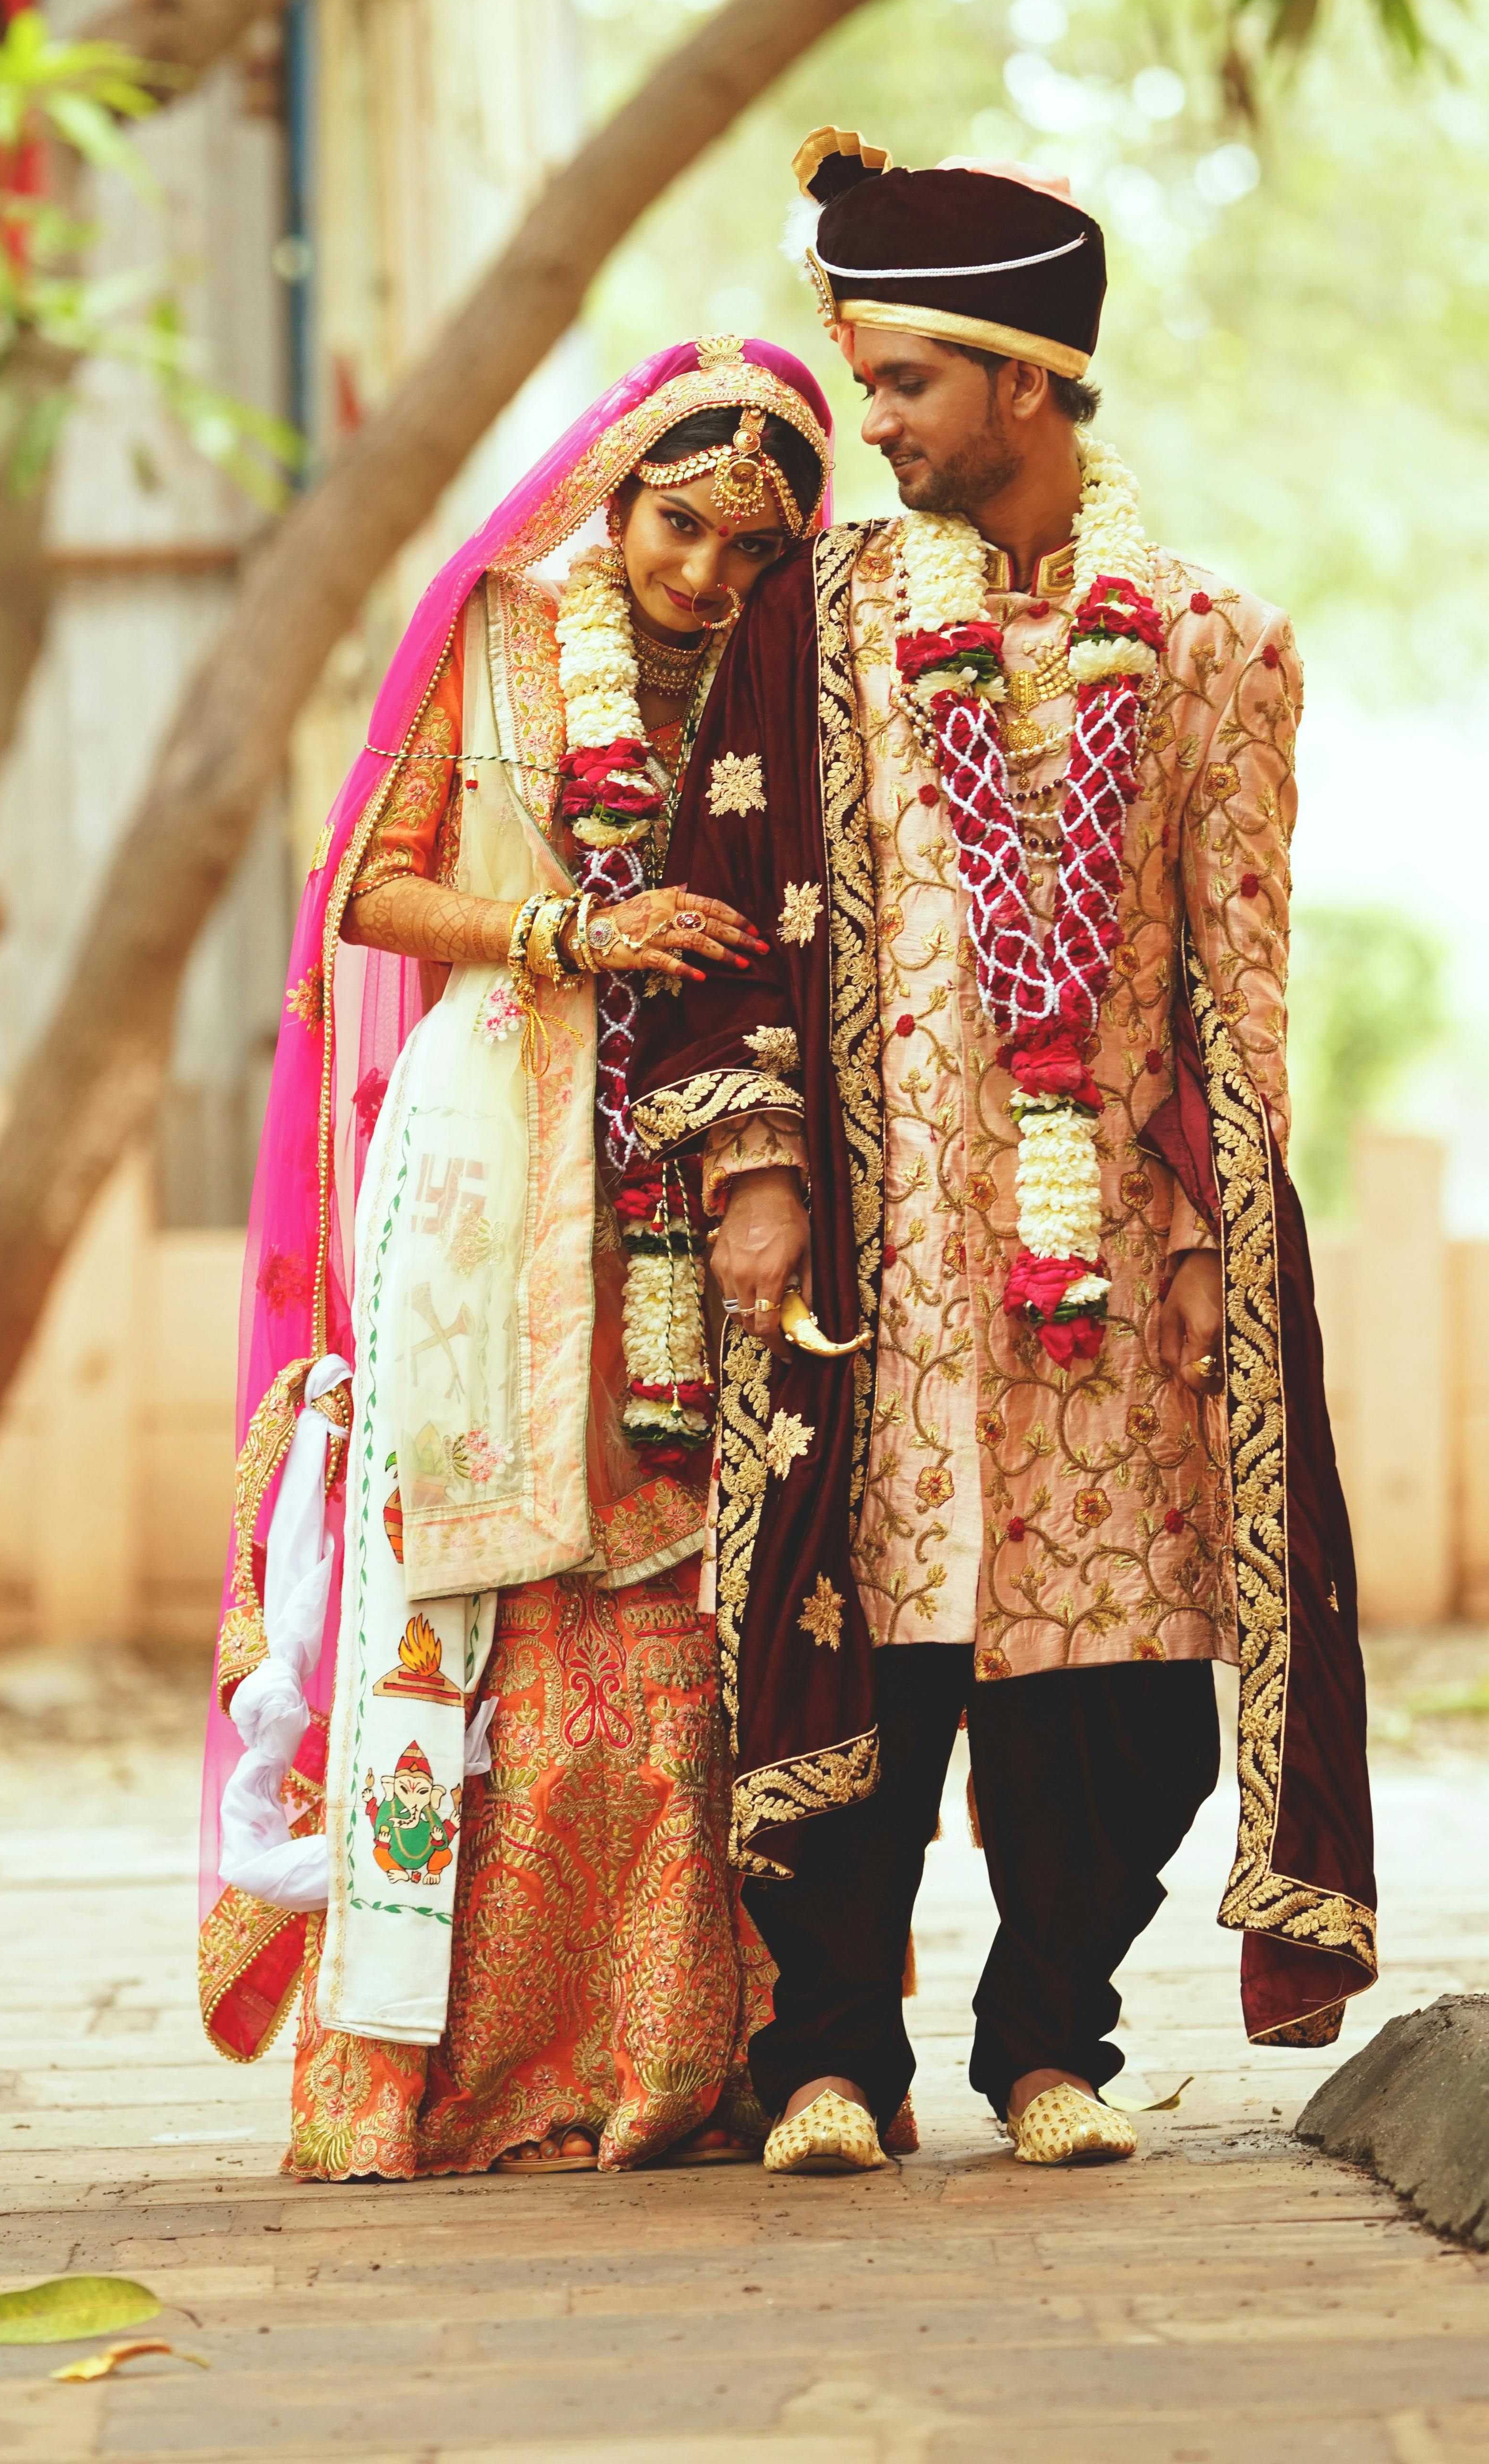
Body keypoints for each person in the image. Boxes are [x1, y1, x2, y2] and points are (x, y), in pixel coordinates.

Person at [630, 131, 1378, 2179]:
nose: (858, 427)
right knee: (871, 1628)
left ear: (1027, 381)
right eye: (862, 382)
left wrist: (1228, 1225)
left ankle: (1049, 2040)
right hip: (882, 1248)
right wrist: (758, 1166)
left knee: (1117, 1667)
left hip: (1115, 1250)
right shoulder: (827, 620)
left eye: (899, 386)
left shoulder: (1214, 640)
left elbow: (1241, 960)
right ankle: (827, 2063)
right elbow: (730, 883)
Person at [196, 335, 836, 2180]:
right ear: (615, 488)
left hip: (709, 1172)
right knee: (467, 1603)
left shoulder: (778, 685)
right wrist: (567, 930)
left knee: (688, 1606)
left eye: (745, 553)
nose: (702, 576)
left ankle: (674, 2066)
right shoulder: (492, 636)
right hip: (496, 1159)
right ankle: (437, 2075)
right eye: (678, 527)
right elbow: (364, 897)